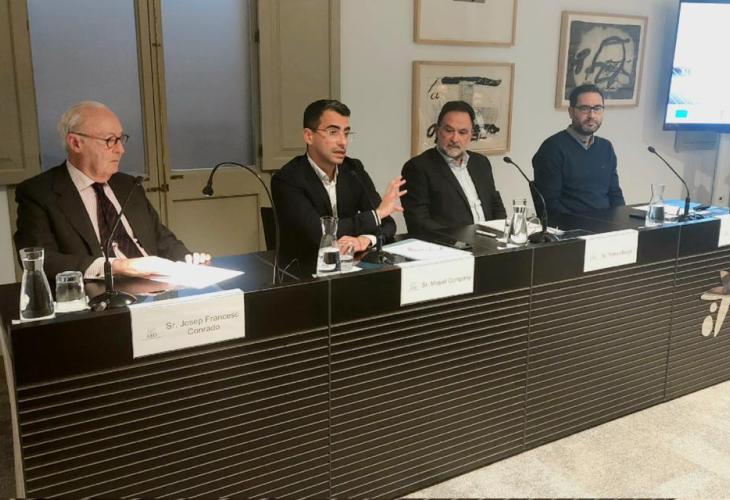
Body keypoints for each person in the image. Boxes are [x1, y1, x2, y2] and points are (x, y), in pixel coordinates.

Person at [14, 101, 210, 280]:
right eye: (110, 140)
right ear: (76, 143)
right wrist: (118, 266)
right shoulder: (39, 193)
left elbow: (161, 238)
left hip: (156, 287)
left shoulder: (129, 185)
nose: (120, 150)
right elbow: (40, 261)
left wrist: (187, 259)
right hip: (98, 293)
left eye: (121, 139)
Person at [271, 99, 406, 271]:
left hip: (350, 269)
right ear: (309, 136)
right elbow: (320, 234)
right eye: (333, 132)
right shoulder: (287, 179)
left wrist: (364, 240)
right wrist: (377, 215)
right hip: (304, 273)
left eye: (346, 133)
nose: (343, 142)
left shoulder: (353, 169)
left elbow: (387, 224)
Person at [401, 100, 506, 234]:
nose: (455, 139)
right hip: (448, 244)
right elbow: (418, 222)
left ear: (471, 134)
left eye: (462, 132)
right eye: (449, 130)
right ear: (437, 130)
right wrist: (458, 242)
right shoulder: (417, 168)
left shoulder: (481, 162)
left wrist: (501, 233)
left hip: (489, 241)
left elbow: (495, 205)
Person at [532, 84, 625, 215]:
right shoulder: (552, 149)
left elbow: (615, 194)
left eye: (597, 108)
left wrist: (623, 221)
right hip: (570, 224)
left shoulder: (606, 147)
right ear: (571, 112)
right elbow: (550, 204)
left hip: (607, 223)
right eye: (584, 109)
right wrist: (583, 224)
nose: (592, 115)